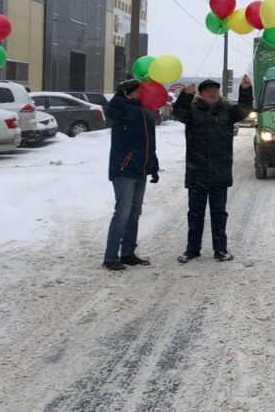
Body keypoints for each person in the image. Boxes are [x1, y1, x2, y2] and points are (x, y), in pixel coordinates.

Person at [172, 77, 253, 263]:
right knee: (195, 214)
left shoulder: (227, 110)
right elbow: (178, 113)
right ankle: (192, 249)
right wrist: (185, 96)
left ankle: (220, 249)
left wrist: (245, 90)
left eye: (215, 90)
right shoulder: (192, 111)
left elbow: (244, 110)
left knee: (219, 214)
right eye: (207, 90)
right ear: (201, 94)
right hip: (197, 170)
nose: (212, 93)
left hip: (220, 170)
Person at [104, 79, 159, 271]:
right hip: (124, 168)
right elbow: (111, 113)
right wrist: (120, 96)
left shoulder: (144, 110)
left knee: (135, 213)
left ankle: (127, 252)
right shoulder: (121, 108)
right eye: (138, 90)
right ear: (128, 92)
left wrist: (153, 165)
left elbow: (149, 141)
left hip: (141, 169)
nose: (142, 93)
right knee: (122, 213)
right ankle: (110, 257)